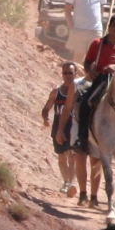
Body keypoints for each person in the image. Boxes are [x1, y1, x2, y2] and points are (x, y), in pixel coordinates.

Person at [41, 62, 82, 197]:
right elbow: (46, 108)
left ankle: (71, 183)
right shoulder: (56, 92)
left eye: (71, 73)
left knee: (72, 156)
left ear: (75, 74)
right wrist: (45, 118)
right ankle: (66, 181)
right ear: (62, 74)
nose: (68, 76)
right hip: (59, 127)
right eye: (66, 73)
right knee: (61, 155)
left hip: (74, 127)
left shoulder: (78, 92)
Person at [63, 0, 107, 66]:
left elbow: (102, 7)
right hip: (79, 29)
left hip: (95, 30)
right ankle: (74, 80)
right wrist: (71, 27)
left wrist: (100, 23)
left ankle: (90, 81)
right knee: (78, 58)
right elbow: (67, 8)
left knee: (94, 59)